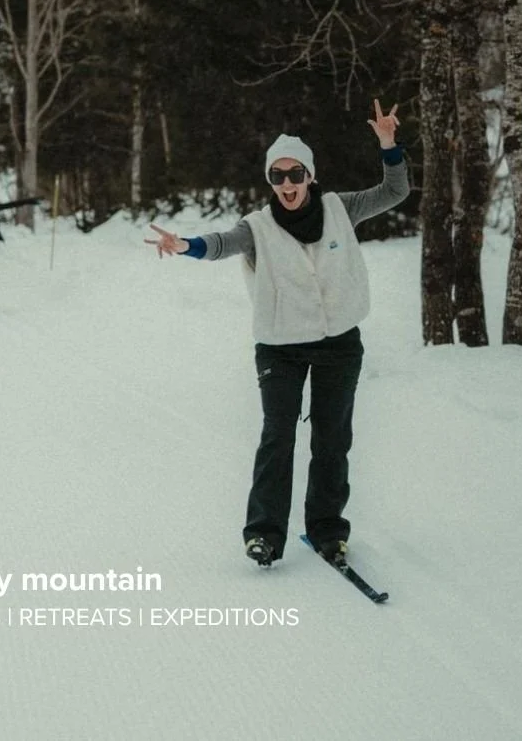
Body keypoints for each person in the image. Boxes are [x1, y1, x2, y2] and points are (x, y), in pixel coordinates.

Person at [145, 99, 408, 569]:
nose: (286, 184)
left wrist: (388, 145)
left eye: (294, 174)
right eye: (277, 176)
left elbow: (394, 192)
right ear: (270, 181)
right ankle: (264, 534)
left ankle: (328, 531)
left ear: (309, 175)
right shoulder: (258, 227)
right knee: (277, 437)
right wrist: (186, 245)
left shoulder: (340, 208)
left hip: (338, 344)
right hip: (280, 348)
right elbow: (223, 244)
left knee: (332, 441)